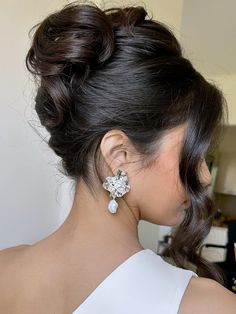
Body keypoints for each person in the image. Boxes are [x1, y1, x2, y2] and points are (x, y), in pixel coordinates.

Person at [0, 1, 236, 313]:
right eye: (194, 155)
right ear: (118, 155)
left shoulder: (5, 268)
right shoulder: (208, 305)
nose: (204, 176)